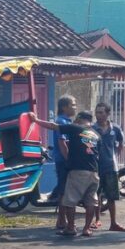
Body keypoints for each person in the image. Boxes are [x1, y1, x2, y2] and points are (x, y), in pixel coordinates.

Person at [29, 111, 100, 237]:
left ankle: (71, 228)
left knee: (70, 201)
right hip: (93, 172)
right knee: (90, 202)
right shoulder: (96, 135)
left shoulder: (75, 128)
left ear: (79, 118)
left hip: (77, 171)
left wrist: (36, 120)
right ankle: (86, 229)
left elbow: (53, 126)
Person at [92, 102, 125, 231]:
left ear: (108, 113)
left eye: (101, 112)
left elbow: (120, 143)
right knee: (96, 195)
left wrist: (114, 155)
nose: (99, 115)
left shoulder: (115, 128)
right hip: (95, 167)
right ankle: (97, 220)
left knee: (112, 196)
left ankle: (113, 223)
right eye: (97, 112)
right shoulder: (92, 129)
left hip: (110, 167)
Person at [50, 95, 77, 230]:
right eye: (73, 104)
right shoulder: (62, 122)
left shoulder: (67, 121)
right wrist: (69, 161)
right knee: (63, 191)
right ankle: (61, 220)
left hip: (63, 160)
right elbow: (63, 144)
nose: (75, 107)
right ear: (64, 107)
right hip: (63, 161)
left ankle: (62, 220)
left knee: (64, 190)